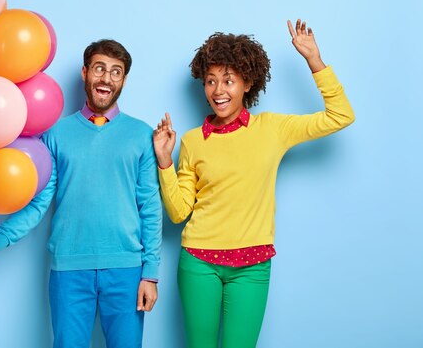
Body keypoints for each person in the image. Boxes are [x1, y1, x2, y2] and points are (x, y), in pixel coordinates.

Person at [152, 19, 355, 348]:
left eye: (229, 81)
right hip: (198, 262)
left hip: (252, 264)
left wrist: (314, 60)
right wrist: (164, 161)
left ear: (248, 83)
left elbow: (340, 115)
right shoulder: (191, 141)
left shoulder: (272, 129)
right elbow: (178, 214)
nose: (218, 91)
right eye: (210, 81)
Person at [0, 39, 162, 348]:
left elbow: (150, 208)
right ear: (84, 73)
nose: (106, 78)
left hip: (127, 271)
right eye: (99, 69)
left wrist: (150, 274)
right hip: (69, 271)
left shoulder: (141, 135)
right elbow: (39, 203)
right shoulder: (56, 135)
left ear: (123, 80)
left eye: (116, 72)